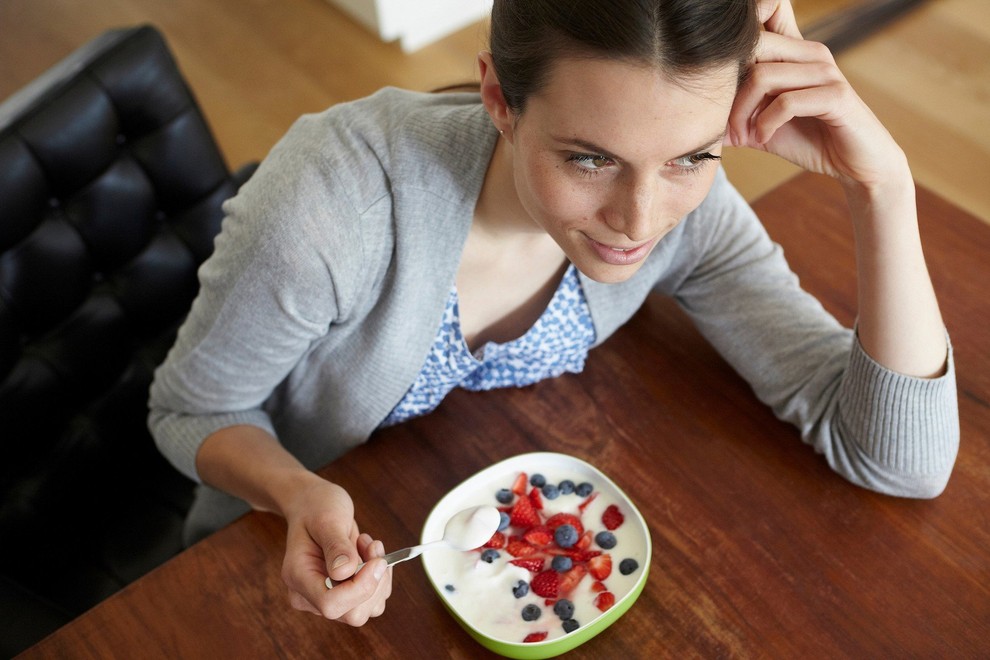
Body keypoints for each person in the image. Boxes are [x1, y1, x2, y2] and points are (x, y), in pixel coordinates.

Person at [149, 0, 958, 627]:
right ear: (501, 97)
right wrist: (293, 492)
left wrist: (880, 187)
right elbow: (190, 409)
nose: (641, 222)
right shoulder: (333, 207)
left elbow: (896, 458)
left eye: (693, 155)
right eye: (589, 158)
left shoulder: (690, 219)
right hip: (272, 570)